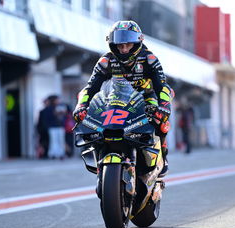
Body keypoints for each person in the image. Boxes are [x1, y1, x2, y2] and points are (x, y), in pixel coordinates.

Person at [72, 20, 174, 179]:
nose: (124, 49)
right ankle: (102, 163)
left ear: (137, 43)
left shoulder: (150, 59)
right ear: (113, 45)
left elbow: (162, 86)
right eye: (120, 46)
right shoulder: (105, 61)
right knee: (97, 126)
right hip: (116, 100)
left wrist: (163, 106)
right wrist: (81, 106)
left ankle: (163, 155)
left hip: (146, 99)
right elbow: (90, 87)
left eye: (128, 45)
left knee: (160, 119)